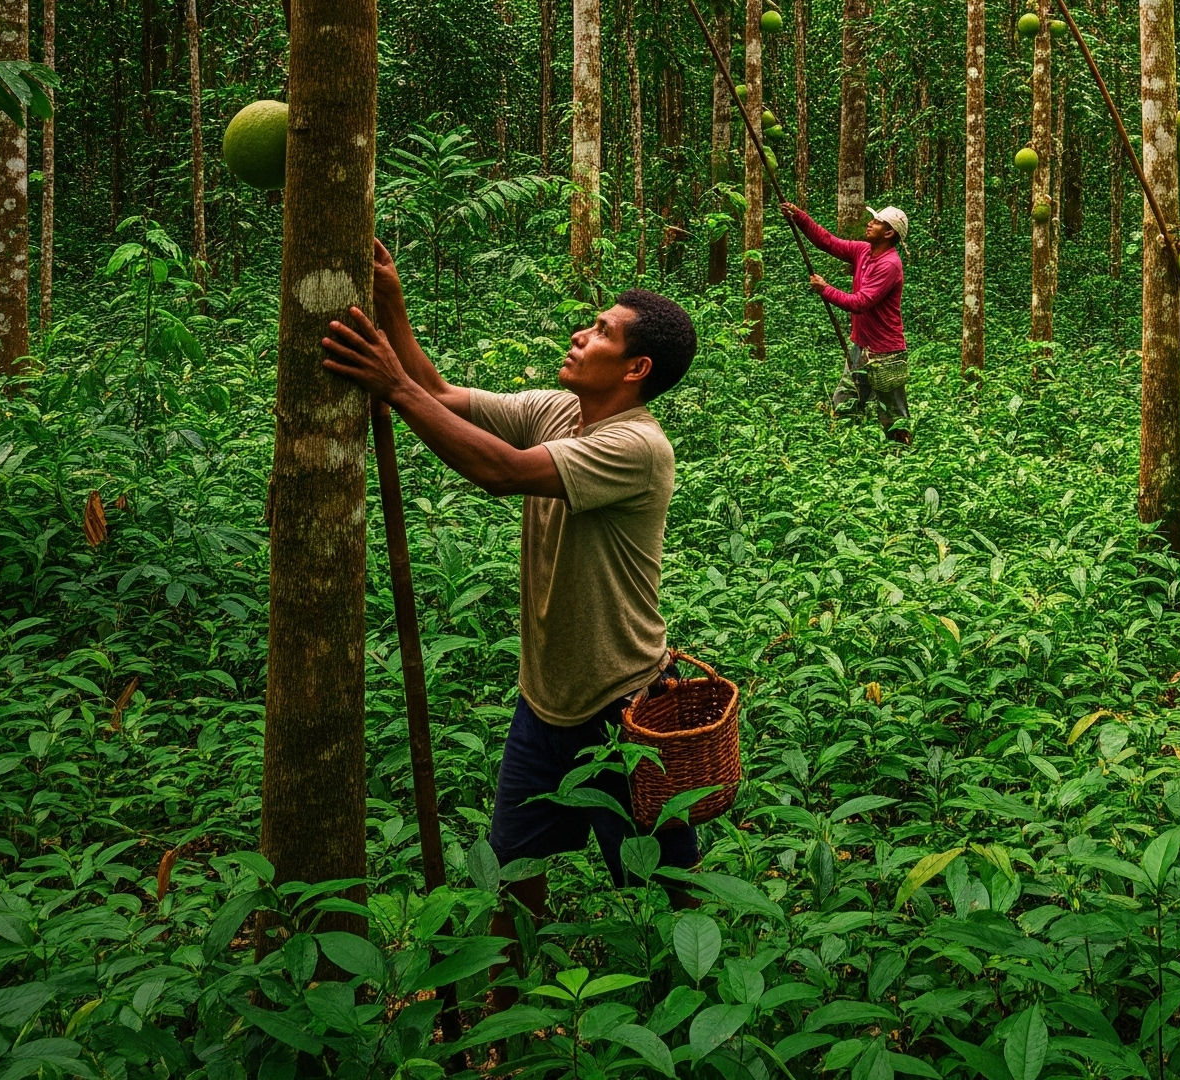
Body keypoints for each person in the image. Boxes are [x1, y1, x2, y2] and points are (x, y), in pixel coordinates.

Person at [320, 241, 702, 935]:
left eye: (602, 333)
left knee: (667, 886)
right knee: (513, 872)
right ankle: (510, 1007)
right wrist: (393, 304)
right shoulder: (559, 410)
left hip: (625, 708)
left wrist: (392, 388)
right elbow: (440, 396)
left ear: (636, 368)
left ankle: (699, 1004)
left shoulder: (638, 446)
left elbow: (502, 471)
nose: (580, 335)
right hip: (545, 703)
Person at [782, 201, 911, 446]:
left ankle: (901, 456)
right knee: (846, 400)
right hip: (860, 346)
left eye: (876, 222)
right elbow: (827, 242)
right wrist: (799, 217)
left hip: (885, 352)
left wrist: (825, 290)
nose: (869, 224)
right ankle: (848, 450)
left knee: (894, 415)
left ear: (889, 232)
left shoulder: (889, 265)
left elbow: (861, 302)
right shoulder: (863, 251)